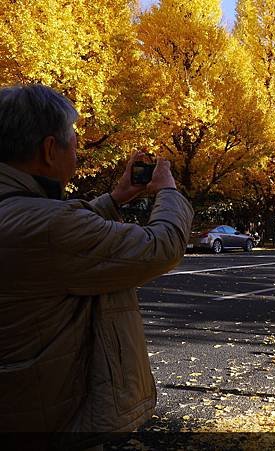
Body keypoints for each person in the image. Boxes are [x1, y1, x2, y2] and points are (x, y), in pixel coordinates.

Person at [0, 85, 193, 447]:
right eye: (73, 137)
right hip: (49, 415)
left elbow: (56, 235)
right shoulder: (49, 227)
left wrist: (117, 198)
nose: (78, 146)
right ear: (48, 148)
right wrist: (169, 192)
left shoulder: (20, 211)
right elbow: (161, 246)